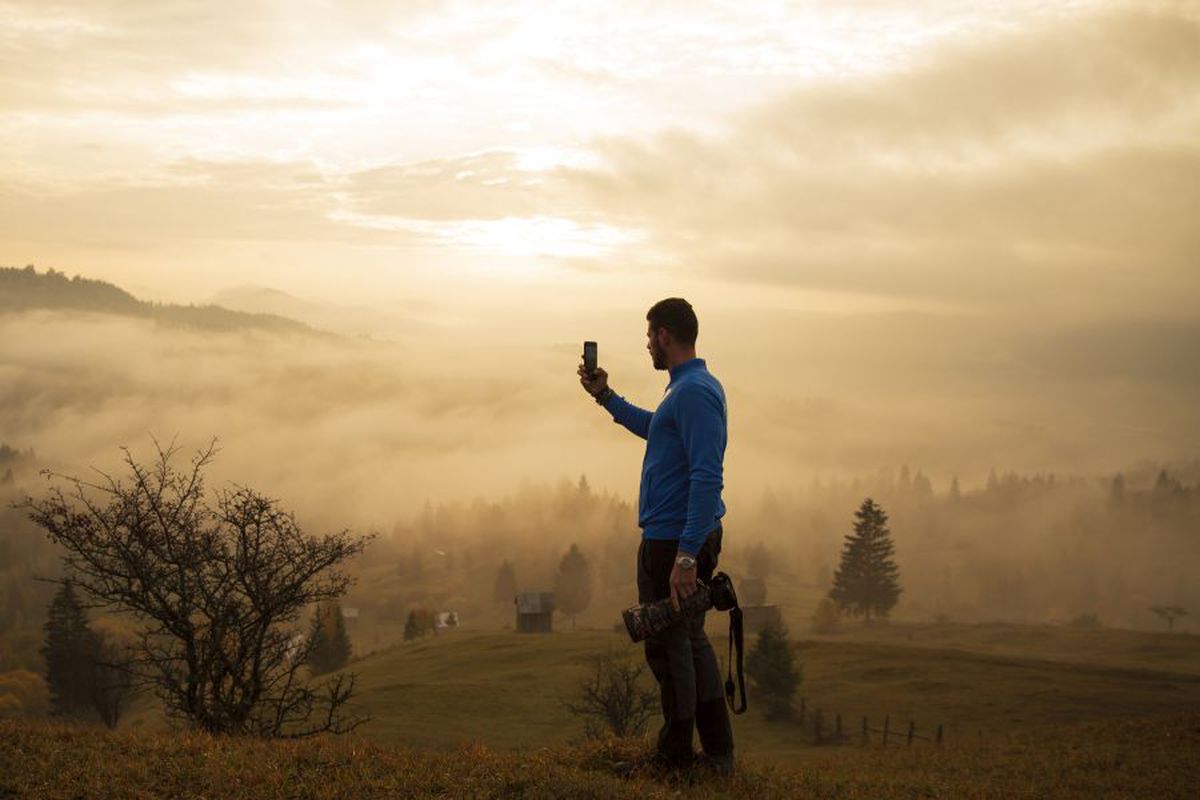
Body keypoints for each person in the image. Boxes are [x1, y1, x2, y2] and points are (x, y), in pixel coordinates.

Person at [577, 297, 735, 775]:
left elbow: (708, 476)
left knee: (668, 650)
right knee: (688, 644)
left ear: (665, 335)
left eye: (650, 336)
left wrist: (685, 556)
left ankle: (674, 759)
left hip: (675, 540)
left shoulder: (693, 393)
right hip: (680, 536)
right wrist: (606, 397)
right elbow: (656, 429)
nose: (648, 344)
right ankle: (717, 756)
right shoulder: (687, 389)